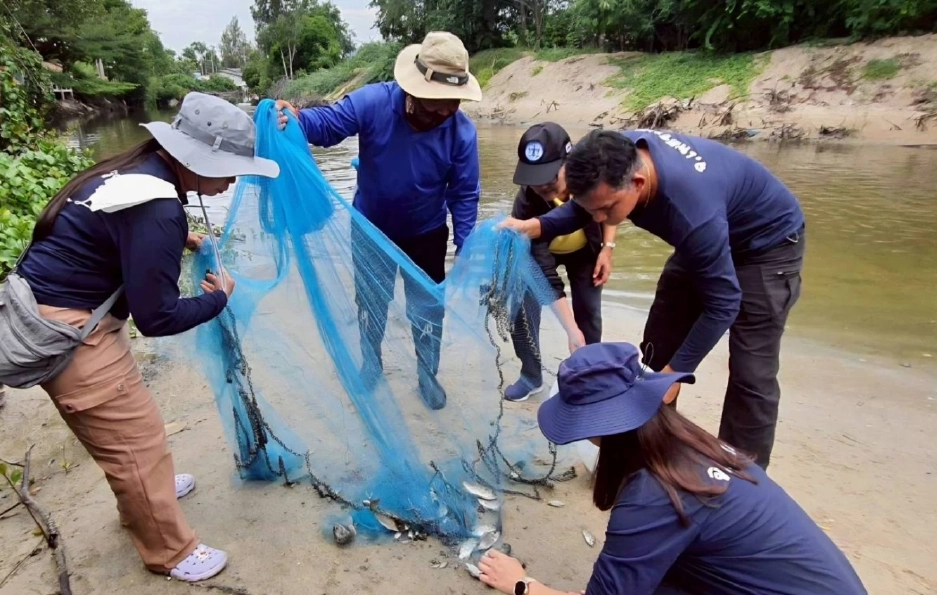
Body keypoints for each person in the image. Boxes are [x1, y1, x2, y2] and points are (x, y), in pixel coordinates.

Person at [479, 342, 900, 595]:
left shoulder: (654, 494)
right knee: (638, 585)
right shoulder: (695, 447)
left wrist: (520, 584)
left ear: (596, 427)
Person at [12, 93, 279, 582]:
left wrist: (185, 238)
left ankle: (145, 493)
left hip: (62, 309)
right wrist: (217, 299)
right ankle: (170, 552)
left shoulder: (133, 172)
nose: (233, 181)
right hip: (72, 334)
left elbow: (115, 231)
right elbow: (155, 318)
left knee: (129, 434)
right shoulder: (158, 208)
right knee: (135, 440)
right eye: (229, 169)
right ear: (197, 160)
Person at [501, 129, 805, 469]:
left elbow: (724, 303)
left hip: (765, 247)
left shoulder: (690, 210)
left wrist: (677, 373)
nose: (599, 220)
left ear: (639, 184)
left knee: (751, 372)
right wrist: (538, 227)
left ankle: (741, 477)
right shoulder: (611, 157)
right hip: (706, 238)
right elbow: (585, 208)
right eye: (594, 210)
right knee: (655, 350)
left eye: (607, 210)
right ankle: (654, 455)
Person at [275, 31, 482, 410]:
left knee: (428, 307)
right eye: (437, 102)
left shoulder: (461, 133)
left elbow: (464, 194)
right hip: (371, 229)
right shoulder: (374, 102)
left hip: (428, 234)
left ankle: (427, 372)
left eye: (453, 102)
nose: (446, 110)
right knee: (371, 302)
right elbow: (328, 126)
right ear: (413, 91)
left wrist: (466, 246)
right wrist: (296, 120)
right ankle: (372, 363)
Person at [504, 122, 617, 402]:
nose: (542, 186)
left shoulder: (592, 178)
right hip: (545, 252)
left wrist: (607, 248)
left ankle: (588, 375)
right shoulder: (527, 202)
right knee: (522, 308)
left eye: (550, 178)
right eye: (534, 178)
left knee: (588, 313)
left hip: (585, 250)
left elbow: (613, 207)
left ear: (570, 163)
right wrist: (569, 329)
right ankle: (531, 376)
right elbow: (543, 271)